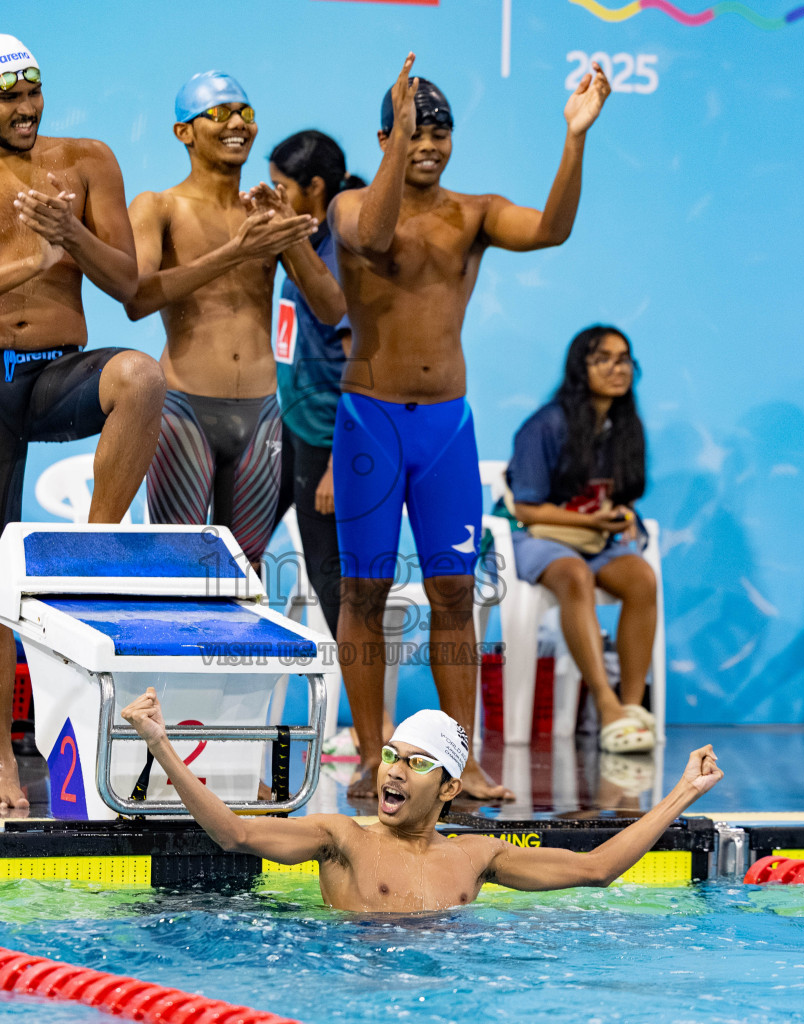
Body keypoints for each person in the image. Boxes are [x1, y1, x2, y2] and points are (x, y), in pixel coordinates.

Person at [330, 55, 613, 800]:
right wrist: (395, 144)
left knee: (456, 594)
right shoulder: (350, 207)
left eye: (441, 131)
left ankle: (463, 759)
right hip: (370, 421)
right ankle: (368, 751)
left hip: (447, 428)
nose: (430, 143)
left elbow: (551, 230)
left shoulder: (474, 213)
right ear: (387, 135)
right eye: (415, 130)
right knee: (365, 590)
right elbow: (380, 234)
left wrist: (576, 138)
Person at [0, 34, 166, 814]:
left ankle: (92, 544)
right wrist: (28, 262)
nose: (26, 109)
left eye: (34, 93)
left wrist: (72, 236)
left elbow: (130, 285)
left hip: (59, 372)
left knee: (142, 377)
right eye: (8, 97)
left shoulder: (87, 161)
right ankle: (3, 772)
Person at [122, 688, 721, 911]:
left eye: (415, 761)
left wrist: (680, 794)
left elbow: (596, 871)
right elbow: (238, 835)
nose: (394, 770)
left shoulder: (478, 856)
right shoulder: (341, 839)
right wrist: (162, 746)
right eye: (390, 754)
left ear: (449, 788)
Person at [126, 72, 344, 568]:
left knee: (241, 574)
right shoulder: (158, 206)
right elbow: (136, 298)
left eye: (245, 114)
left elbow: (332, 309)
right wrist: (233, 252)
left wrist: (287, 230)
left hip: (263, 415)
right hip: (184, 412)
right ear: (184, 131)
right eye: (219, 113)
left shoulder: (266, 213)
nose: (237, 124)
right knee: (179, 571)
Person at [506, 325, 658, 754]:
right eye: (603, 359)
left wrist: (623, 516)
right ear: (580, 367)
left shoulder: (625, 426)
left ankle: (631, 708)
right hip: (538, 538)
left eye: (624, 358)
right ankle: (606, 706)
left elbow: (621, 495)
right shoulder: (545, 424)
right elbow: (525, 508)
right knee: (574, 575)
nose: (617, 368)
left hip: (595, 540)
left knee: (642, 578)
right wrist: (593, 524)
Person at [267, 130, 361, 639]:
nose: (274, 196)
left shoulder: (338, 256)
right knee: (236, 543)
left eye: (282, 187)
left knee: (331, 580)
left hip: (327, 437)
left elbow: (359, 365)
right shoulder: (304, 243)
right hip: (293, 425)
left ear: (317, 186)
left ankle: (374, 717)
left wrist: (333, 465)